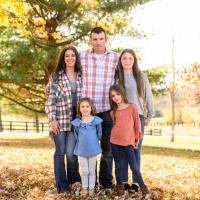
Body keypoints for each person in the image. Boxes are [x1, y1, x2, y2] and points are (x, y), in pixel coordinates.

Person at [80, 27, 118, 189]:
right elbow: (64, 67)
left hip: (107, 110)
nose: (98, 42)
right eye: (95, 39)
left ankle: (106, 183)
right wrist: (50, 81)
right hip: (88, 112)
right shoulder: (82, 56)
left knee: (108, 150)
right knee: (89, 149)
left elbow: (129, 71)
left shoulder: (115, 57)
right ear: (90, 40)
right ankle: (90, 183)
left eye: (101, 38)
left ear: (106, 39)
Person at [114, 49, 154, 192]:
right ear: (120, 61)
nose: (127, 61)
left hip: (138, 117)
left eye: (130, 58)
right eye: (124, 58)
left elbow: (148, 96)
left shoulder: (141, 76)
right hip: (121, 118)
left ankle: (136, 183)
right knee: (123, 150)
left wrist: (149, 115)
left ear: (134, 60)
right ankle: (123, 181)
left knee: (136, 149)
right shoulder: (117, 77)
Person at [46, 46, 81, 193]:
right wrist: (52, 119)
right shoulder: (56, 76)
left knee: (71, 153)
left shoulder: (81, 75)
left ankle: (74, 182)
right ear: (63, 58)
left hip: (76, 119)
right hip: (60, 118)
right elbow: (50, 100)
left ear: (76, 57)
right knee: (60, 152)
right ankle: (61, 185)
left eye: (73, 55)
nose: (70, 58)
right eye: (67, 56)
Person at [109, 84, 151, 199]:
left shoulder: (132, 107)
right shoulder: (113, 112)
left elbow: (137, 124)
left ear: (122, 93)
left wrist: (136, 139)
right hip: (115, 141)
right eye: (113, 96)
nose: (116, 97)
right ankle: (120, 189)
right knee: (118, 166)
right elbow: (116, 126)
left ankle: (144, 189)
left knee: (134, 166)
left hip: (128, 142)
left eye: (117, 94)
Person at [71, 97, 103, 196]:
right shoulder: (77, 122)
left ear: (91, 108)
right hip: (81, 150)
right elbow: (76, 135)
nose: (85, 108)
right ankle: (85, 188)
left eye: (87, 106)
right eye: (82, 107)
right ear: (79, 109)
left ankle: (91, 188)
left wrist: (93, 142)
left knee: (92, 170)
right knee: (85, 171)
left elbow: (99, 134)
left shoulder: (96, 121)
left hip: (93, 149)